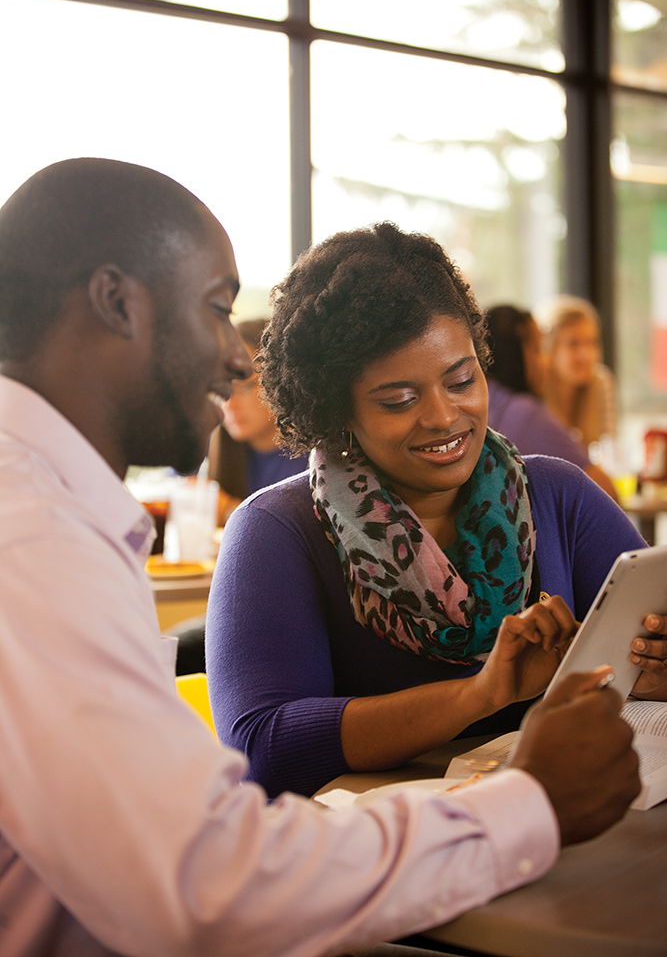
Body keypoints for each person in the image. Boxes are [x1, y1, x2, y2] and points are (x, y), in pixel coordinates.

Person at [0, 160, 645, 957]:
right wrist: (529, 798)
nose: (239, 363)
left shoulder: (51, 520)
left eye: (459, 378)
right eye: (215, 308)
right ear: (115, 302)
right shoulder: (32, 540)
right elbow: (205, 883)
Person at [206, 223, 665, 801]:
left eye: (462, 379)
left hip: (568, 831)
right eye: (399, 400)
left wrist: (654, 671)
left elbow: (646, 652)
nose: (445, 416)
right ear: (336, 409)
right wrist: (482, 693)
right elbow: (263, 749)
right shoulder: (279, 531)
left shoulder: (558, 496)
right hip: (382, 861)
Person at [485, 304, 618, 501]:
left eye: (593, 343)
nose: (585, 355)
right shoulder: (526, 412)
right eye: (539, 349)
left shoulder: (491, 397)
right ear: (521, 353)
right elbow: (609, 492)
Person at [208, 317, 308, 523]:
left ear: (281, 380)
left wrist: (228, 511)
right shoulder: (212, 448)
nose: (229, 403)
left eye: (244, 386)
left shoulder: (313, 463)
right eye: (222, 388)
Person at [536, 295, 617, 452]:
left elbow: (610, 449)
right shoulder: (537, 391)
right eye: (573, 344)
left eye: (592, 343)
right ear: (549, 348)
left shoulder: (601, 381)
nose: (585, 355)